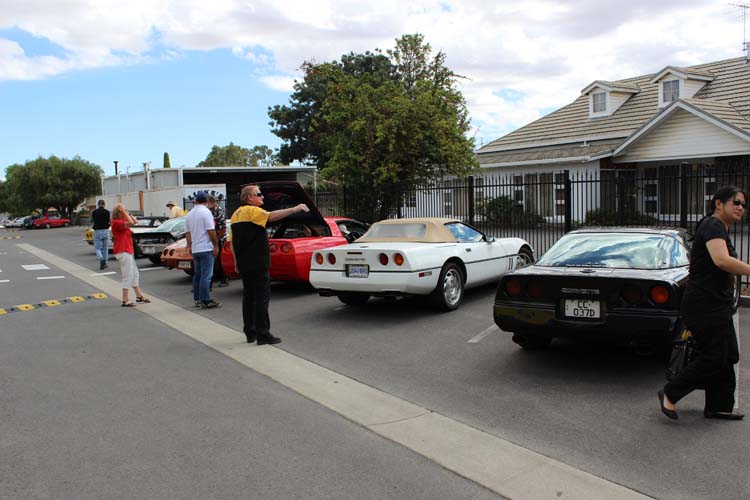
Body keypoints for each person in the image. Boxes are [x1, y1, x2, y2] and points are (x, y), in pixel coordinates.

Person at [659, 186, 748, 421]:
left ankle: (719, 406)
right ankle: (670, 392)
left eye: (743, 204)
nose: (741, 207)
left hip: (718, 304)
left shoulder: (720, 228)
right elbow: (721, 260)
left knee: (728, 355)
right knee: (714, 356)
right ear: (719, 204)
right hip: (703, 305)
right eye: (736, 202)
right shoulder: (712, 226)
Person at [230, 184, 309, 345]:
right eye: (258, 194)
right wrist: (295, 209)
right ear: (249, 198)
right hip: (258, 261)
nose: (262, 197)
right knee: (261, 297)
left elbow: (232, 242)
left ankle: (250, 332)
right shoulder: (252, 210)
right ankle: (263, 334)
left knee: (248, 297)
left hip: (244, 262)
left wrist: (236, 261)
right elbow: (271, 216)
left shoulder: (236, 214)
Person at [186, 192, 221, 309]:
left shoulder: (190, 214)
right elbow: (211, 230)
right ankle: (205, 300)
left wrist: (189, 245)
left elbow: (188, 233)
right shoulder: (206, 212)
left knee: (197, 275)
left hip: (196, 248)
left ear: (196, 201)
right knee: (206, 275)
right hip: (206, 248)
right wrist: (215, 245)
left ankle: (197, 299)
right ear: (206, 201)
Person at [111, 203, 150, 307]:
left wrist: (127, 213)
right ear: (119, 212)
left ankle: (139, 296)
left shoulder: (122, 221)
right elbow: (131, 223)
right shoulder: (116, 222)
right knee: (127, 275)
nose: (126, 212)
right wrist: (123, 211)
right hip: (122, 251)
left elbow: (135, 221)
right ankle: (125, 299)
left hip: (127, 250)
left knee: (134, 273)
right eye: (124, 210)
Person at [207, 194, 229, 288]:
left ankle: (224, 279)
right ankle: (209, 282)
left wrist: (217, 239)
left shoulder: (218, 211)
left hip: (218, 238)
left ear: (211, 202)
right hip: (210, 239)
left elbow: (222, 227)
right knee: (210, 261)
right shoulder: (208, 211)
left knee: (219, 260)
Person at [91, 199, 111, 270]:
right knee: (105, 247)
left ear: (98, 205)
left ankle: (101, 259)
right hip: (106, 230)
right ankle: (105, 262)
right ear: (104, 205)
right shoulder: (107, 212)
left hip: (97, 231)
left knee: (97, 248)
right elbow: (110, 221)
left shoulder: (94, 212)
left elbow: (92, 221)